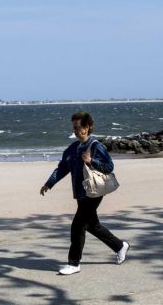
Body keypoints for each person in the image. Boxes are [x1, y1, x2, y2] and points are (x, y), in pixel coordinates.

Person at [40, 111, 129, 275]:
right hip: (81, 193)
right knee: (92, 225)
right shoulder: (73, 148)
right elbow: (62, 169)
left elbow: (109, 167)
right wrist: (49, 183)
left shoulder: (96, 146)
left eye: (77, 127)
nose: (74, 130)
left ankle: (74, 263)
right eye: (73, 127)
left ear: (87, 127)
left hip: (93, 192)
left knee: (78, 225)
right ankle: (120, 246)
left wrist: (91, 161)